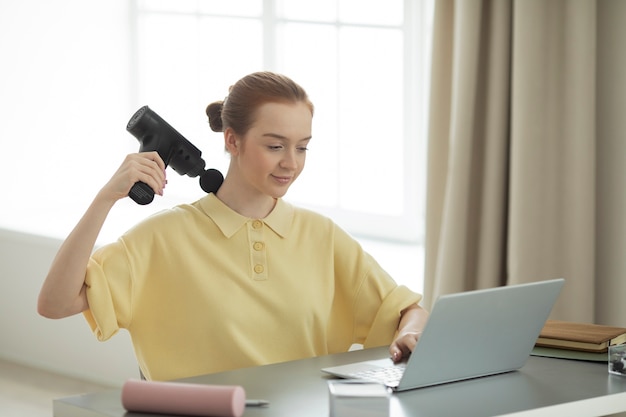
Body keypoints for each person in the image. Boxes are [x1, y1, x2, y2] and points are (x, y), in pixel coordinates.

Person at [37, 71, 429, 381]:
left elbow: (407, 310)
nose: (291, 162)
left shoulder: (322, 237)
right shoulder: (160, 240)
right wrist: (104, 199)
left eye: (302, 146)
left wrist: (411, 332)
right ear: (233, 140)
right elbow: (54, 304)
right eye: (275, 146)